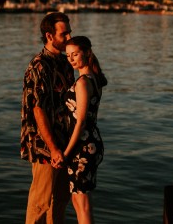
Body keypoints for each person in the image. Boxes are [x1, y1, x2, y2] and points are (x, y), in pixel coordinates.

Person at [21, 12, 74, 224]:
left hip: (64, 142)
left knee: (60, 201)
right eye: (64, 34)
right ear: (49, 36)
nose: (69, 38)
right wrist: (53, 148)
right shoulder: (39, 66)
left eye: (69, 32)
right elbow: (37, 110)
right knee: (40, 203)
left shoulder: (65, 63)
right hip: (44, 144)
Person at [63, 36, 107, 224]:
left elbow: (80, 122)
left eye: (75, 54)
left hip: (82, 145)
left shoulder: (82, 82)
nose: (71, 59)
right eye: (68, 55)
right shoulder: (94, 79)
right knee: (79, 200)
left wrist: (66, 153)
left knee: (82, 203)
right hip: (91, 142)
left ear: (87, 53)